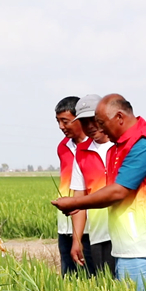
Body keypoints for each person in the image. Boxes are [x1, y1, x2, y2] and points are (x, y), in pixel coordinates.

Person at [52, 94, 146, 291]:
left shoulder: (142, 144)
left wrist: (74, 203)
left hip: (142, 247)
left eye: (101, 123)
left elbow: (119, 191)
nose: (99, 129)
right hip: (127, 244)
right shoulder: (120, 145)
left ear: (119, 117)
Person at [69, 94, 116, 275]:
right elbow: (79, 199)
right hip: (99, 235)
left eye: (93, 119)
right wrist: (77, 240)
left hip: (127, 233)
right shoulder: (81, 153)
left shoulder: (122, 146)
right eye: (84, 122)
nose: (90, 126)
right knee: (105, 284)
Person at [54, 96, 95, 275]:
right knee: (69, 278)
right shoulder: (63, 147)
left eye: (65, 121)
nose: (61, 126)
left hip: (92, 228)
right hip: (65, 226)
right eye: (58, 121)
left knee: (95, 278)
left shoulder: (96, 146)